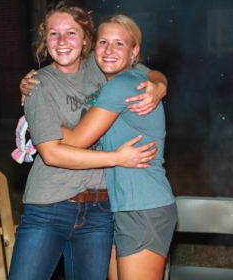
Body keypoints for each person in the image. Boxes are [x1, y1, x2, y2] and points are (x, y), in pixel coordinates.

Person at [9, 1, 168, 280]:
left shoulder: (102, 67)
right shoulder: (38, 85)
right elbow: (53, 154)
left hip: (100, 211)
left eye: (71, 33)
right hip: (50, 207)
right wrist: (117, 158)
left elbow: (145, 71)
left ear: (86, 40)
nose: (62, 41)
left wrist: (160, 85)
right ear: (45, 42)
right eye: (54, 34)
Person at [58, 15, 176, 280]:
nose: (109, 50)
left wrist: (37, 122)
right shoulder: (127, 78)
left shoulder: (122, 84)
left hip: (143, 206)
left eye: (119, 44)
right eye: (103, 42)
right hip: (127, 205)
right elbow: (152, 73)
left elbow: (78, 140)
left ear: (134, 51)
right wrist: (161, 83)